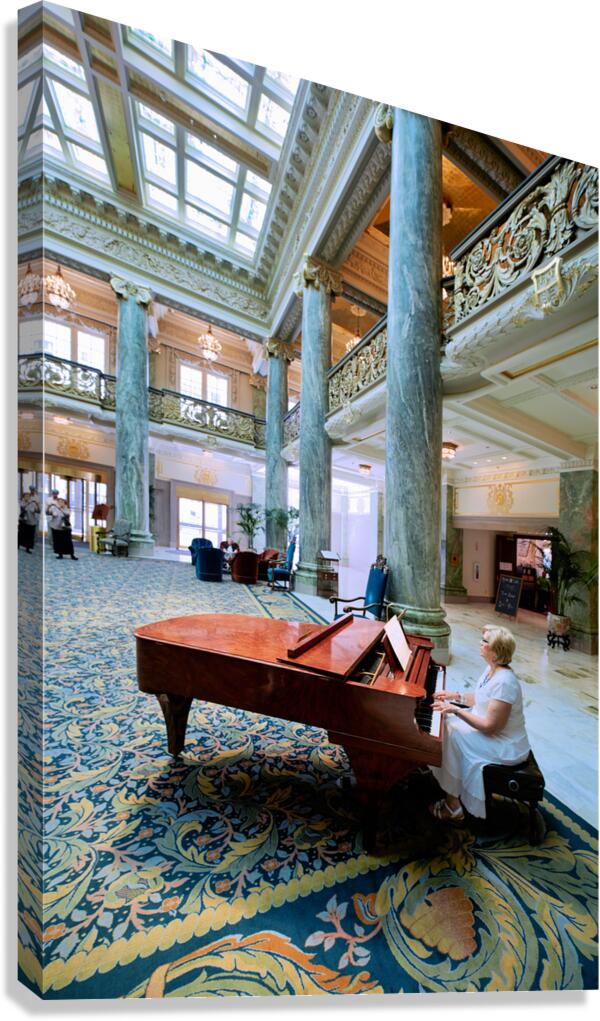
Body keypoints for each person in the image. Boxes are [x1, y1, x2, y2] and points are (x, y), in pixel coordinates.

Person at [428, 625, 530, 822]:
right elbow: (482, 699)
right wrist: (455, 696)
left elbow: (490, 727)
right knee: (446, 723)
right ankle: (445, 778)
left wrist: (455, 709)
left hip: (505, 745)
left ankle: (453, 805)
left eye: (485, 642)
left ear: (496, 651)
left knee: (453, 732)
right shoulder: (492, 669)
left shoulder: (505, 682)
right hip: (493, 734)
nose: (480, 643)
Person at [46, 490, 78, 561]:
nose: (60, 503)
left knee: (68, 542)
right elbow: (48, 513)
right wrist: (49, 507)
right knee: (58, 541)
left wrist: (61, 509)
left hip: (65, 528)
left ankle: (72, 555)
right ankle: (60, 554)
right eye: (59, 502)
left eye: (62, 502)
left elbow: (67, 515)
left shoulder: (67, 509)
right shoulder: (54, 508)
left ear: (65, 503)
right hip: (56, 527)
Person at [18, 485, 41, 552]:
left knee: (30, 535)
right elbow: (21, 506)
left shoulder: (37, 498)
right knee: (21, 533)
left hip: (32, 520)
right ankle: (18, 545)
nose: (32, 491)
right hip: (24, 520)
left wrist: (36, 505)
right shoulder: (25, 496)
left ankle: (28, 548)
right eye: (31, 490)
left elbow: (38, 510)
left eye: (33, 490)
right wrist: (26, 502)